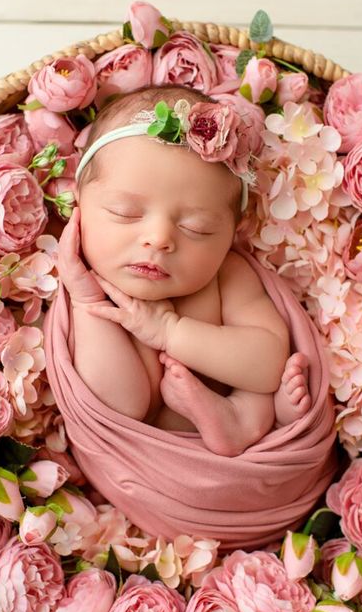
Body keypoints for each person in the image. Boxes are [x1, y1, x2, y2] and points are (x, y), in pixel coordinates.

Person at [55, 83, 313, 457]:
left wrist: (170, 332)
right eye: (126, 213)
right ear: (77, 202)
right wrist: (85, 300)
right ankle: (241, 421)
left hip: (237, 466)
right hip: (145, 465)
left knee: (271, 383)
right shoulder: (91, 285)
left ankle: (245, 419)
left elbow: (269, 362)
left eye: (197, 228)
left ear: (232, 233)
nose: (159, 239)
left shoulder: (228, 274)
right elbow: (120, 408)